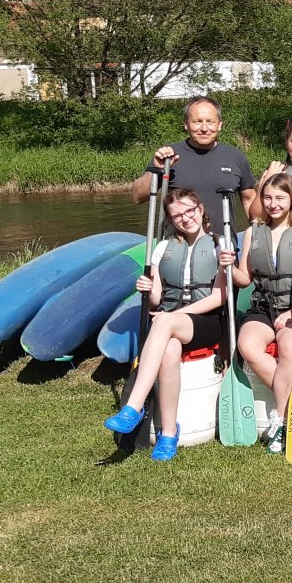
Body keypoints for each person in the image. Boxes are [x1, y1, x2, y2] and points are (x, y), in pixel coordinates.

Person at [102, 188, 233, 461]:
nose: (185, 218)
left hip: (205, 323)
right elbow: (156, 300)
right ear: (171, 220)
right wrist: (147, 289)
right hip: (170, 323)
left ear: (200, 209)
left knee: (164, 322)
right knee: (170, 350)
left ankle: (134, 407)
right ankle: (169, 434)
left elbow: (219, 297)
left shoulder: (220, 244)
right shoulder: (163, 248)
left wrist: (175, 316)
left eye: (189, 211)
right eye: (177, 216)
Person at [231, 173, 292, 453]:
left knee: (288, 345)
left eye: (280, 198)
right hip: (265, 306)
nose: (273, 204)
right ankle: (291, 401)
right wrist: (226, 265)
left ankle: (281, 421)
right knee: (247, 345)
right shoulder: (254, 232)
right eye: (268, 198)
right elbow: (244, 279)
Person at [133, 96, 256, 230]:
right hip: (178, 241)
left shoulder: (235, 156)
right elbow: (137, 197)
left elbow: (249, 200)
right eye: (197, 122)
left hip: (224, 240)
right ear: (186, 124)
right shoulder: (168, 156)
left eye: (210, 122)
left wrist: (258, 233)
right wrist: (156, 169)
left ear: (219, 125)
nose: (204, 128)